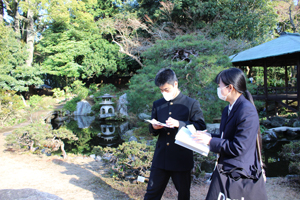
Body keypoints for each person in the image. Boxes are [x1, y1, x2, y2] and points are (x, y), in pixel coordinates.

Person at [192, 68, 267, 200]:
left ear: (230, 87)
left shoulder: (247, 110)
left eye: (219, 86)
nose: (218, 89)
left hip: (239, 174)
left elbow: (239, 147)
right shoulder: (228, 109)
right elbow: (225, 137)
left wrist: (210, 142)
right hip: (225, 171)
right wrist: (208, 137)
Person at [144, 68, 206, 200]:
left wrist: (180, 124)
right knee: (151, 193)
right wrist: (154, 127)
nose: (163, 93)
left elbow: (201, 126)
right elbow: (152, 130)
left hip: (181, 157)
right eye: (161, 90)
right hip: (161, 157)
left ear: (175, 84)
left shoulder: (191, 103)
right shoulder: (158, 104)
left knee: (183, 195)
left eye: (166, 89)